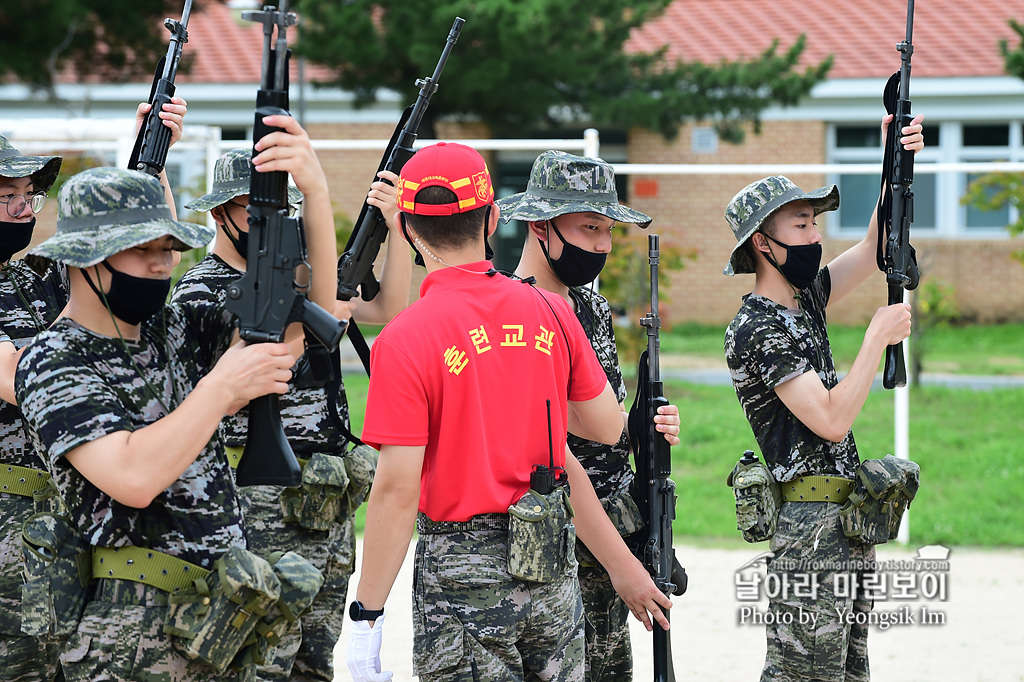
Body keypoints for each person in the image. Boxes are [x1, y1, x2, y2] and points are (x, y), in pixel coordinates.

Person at [13, 111, 335, 682]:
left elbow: (293, 333)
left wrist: (310, 195)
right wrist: (217, 391)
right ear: (86, 258)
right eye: (142, 250)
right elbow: (132, 476)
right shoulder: (51, 359)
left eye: (168, 248)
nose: (162, 264)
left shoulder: (173, 330)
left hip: (222, 616)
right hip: (133, 633)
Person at [345, 141, 672, 682]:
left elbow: (398, 489)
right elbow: (607, 428)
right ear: (494, 219)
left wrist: (367, 616)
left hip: (461, 583)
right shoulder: (549, 309)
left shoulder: (403, 340)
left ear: (406, 229)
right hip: (549, 568)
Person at [171, 143, 409, 682]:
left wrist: (393, 231)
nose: (270, 221)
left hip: (323, 495)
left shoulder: (303, 276)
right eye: (254, 209)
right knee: (262, 657)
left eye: (281, 209)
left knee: (313, 659)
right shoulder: (200, 290)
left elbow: (391, 310)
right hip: (257, 495)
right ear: (219, 215)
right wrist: (318, 311)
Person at [722, 113, 924, 682]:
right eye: (803, 225)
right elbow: (831, 419)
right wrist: (874, 339)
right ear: (763, 243)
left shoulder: (805, 298)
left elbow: (876, 246)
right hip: (808, 531)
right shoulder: (756, 327)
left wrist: (896, 160)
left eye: (815, 223)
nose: (815, 237)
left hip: (848, 520)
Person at [0, 96, 188, 682]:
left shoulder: (32, 280)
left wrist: (148, 164)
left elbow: (125, 261)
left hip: (74, 519)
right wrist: (79, 313)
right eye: (6, 197)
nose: (21, 209)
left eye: (27, 196)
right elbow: (19, 380)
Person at [498, 149, 682, 682]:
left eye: (607, 229)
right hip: (558, 548)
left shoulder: (591, 307)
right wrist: (623, 568)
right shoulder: (513, 312)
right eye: (588, 228)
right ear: (539, 227)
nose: (602, 244)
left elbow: (608, 427)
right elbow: (553, 454)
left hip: (614, 532)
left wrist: (648, 427)